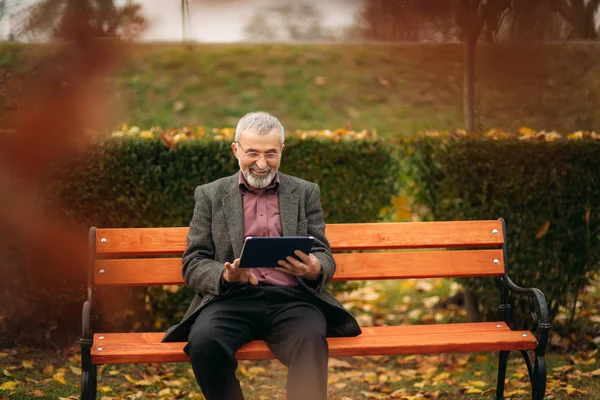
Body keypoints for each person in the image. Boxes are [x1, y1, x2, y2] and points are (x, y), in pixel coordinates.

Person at [163, 111, 361, 400]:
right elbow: (194, 262)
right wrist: (225, 275)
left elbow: (323, 252)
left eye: (271, 154)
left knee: (311, 340)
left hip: (293, 301)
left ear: (281, 150)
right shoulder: (210, 195)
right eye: (252, 153)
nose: (261, 163)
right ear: (236, 150)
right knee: (204, 342)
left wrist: (316, 268)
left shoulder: (304, 192)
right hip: (230, 300)